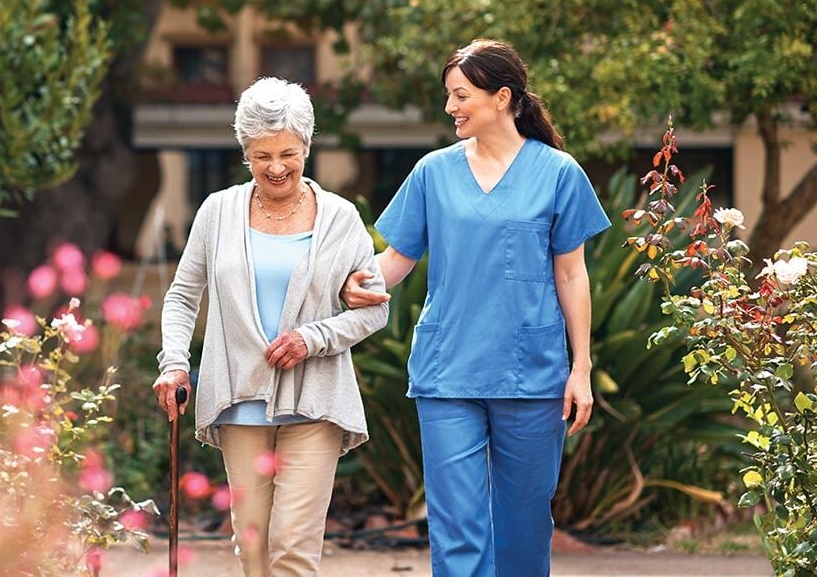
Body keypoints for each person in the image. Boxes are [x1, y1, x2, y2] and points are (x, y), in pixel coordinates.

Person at [341, 39, 611, 576]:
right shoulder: (432, 173)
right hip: (449, 372)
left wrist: (580, 368)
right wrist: (354, 281)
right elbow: (398, 258)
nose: (451, 108)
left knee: (524, 527)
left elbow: (571, 272)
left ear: (502, 97)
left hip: (532, 375)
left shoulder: (558, 173)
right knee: (456, 529)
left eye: (460, 95)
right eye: (449, 96)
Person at [153, 77, 388, 577]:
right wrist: (174, 364)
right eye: (262, 156)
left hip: (315, 400)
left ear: (306, 145)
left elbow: (374, 309)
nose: (276, 167)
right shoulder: (218, 212)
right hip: (239, 400)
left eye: (287, 153)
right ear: (245, 153)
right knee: (253, 549)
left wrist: (312, 339)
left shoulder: (341, 219)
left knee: (293, 549)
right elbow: (182, 295)